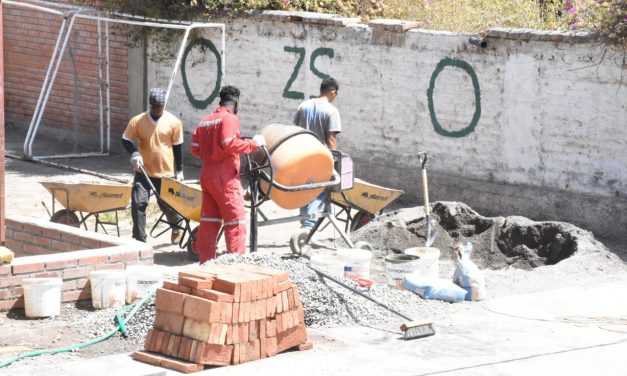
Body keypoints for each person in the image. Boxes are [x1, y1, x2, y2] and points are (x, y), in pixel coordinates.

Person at [190, 85, 266, 264]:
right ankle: (236, 267)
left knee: (209, 222)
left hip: (207, 176)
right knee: (235, 222)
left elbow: (195, 148)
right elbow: (229, 143)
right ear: (235, 102)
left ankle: (206, 265)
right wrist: (254, 144)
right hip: (225, 178)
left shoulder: (205, 120)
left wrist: (211, 155)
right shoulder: (229, 118)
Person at [121, 88, 185, 244]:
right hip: (143, 171)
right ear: (150, 105)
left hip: (165, 173)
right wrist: (134, 153)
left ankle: (176, 225)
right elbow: (125, 139)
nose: (156, 110)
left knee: (167, 205)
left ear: (164, 105)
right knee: (138, 204)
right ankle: (139, 240)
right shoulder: (138, 121)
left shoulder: (173, 122)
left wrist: (180, 170)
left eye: (159, 107)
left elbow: (178, 147)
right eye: (154, 106)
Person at [293, 77, 341, 229]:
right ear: (332, 92)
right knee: (321, 188)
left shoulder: (303, 106)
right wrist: (335, 162)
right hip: (320, 159)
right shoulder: (331, 111)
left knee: (305, 188)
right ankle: (308, 225)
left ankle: (306, 223)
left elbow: (295, 130)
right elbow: (331, 139)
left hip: (301, 156)